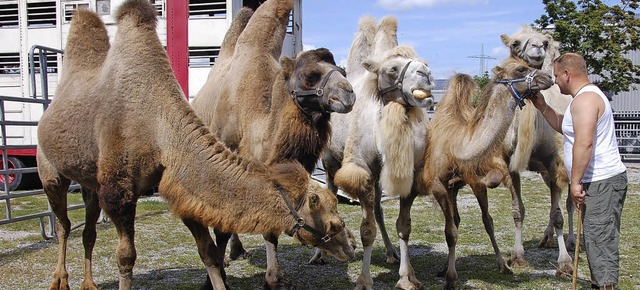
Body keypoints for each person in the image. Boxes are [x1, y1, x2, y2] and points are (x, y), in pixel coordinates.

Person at [528, 52, 627, 290]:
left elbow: (584, 143)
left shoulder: (586, 100)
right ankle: (600, 284)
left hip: (602, 181)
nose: (555, 81)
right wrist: (542, 106)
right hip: (597, 181)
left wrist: (574, 183)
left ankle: (604, 286)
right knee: (594, 239)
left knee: (600, 241)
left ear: (567, 74)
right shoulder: (581, 100)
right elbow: (566, 126)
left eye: (555, 76)